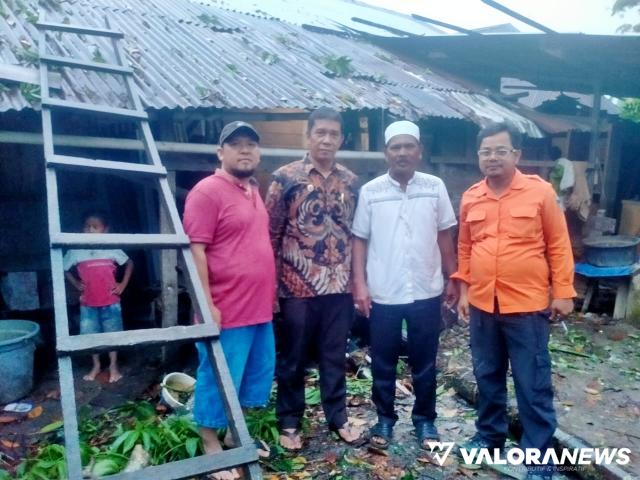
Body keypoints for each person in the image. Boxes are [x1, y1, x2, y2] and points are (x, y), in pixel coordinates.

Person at [453, 122, 575, 480]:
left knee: (532, 382)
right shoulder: (471, 196)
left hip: (527, 306)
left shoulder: (540, 193)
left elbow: (559, 244)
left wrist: (563, 292)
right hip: (481, 304)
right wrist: (463, 290)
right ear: (479, 156)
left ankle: (538, 458)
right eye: (486, 151)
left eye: (500, 151)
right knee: (487, 375)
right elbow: (465, 246)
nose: (492, 157)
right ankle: (489, 438)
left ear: (516, 155)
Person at [351, 120, 458, 451]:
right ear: (386, 152)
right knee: (383, 360)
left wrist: (453, 277)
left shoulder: (434, 186)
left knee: (425, 360)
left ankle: (425, 420)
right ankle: (385, 419)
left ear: (419, 151)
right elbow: (359, 241)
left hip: (427, 288)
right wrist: (360, 285)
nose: (402, 152)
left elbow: (444, 235)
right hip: (384, 291)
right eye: (395, 147)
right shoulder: (371, 191)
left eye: (408, 146)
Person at [265, 107, 362, 450]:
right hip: (296, 286)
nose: (326, 139)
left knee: (334, 355)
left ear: (341, 139)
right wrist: (272, 290)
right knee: (293, 357)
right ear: (308, 136)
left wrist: (357, 283)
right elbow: (271, 235)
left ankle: (338, 417)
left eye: (333, 134)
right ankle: (290, 421)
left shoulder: (350, 181)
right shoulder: (285, 178)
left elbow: (356, 234)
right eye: (320, 132)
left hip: (338, 287)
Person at [183, 121, 276, 480]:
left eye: (251, 144)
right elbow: (195, 251)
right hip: (227, 309)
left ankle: (238, 435)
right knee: (218, 378)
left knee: (250, 378)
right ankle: (211, 444)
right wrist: (207, 304)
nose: (244, 150)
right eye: (235, 144)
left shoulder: (252, 189)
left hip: (257, 308)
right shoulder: (207, 191)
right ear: (220, 152)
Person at [63, 211, 133, 383]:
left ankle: (113, 366)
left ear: (105, 230)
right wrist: (76, 284)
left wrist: (122, 284)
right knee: (90, 336)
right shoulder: (76, 249)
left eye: (95, 227)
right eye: (87, 227)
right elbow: (63, 268)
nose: (90, 230)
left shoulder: (111, 247)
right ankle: (95, 365)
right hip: (88, 302)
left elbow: (130, 263)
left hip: (111, 301)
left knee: (113, 335)